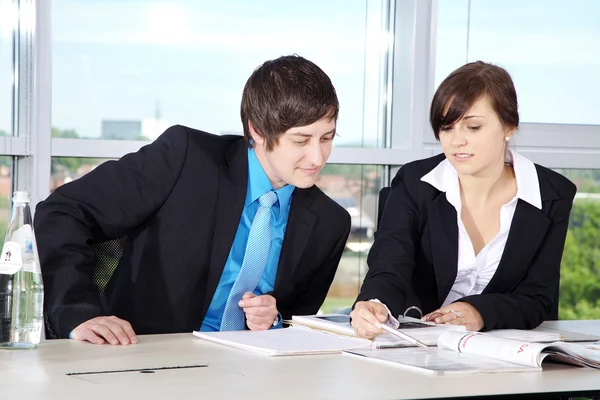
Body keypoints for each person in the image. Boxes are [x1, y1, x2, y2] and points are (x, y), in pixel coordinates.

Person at [35, 55, 351, 345]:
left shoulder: (329, 224)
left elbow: (298, 327)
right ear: (257, 130)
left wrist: (275, 321)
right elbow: (63, 211)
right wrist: (77, 310)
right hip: (141, 363)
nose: (317, 156)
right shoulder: (186, 160)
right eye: (301, 140)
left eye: (327, 138)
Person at [350, 61, 576, 338]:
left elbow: (538, 297)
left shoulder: (551, 195)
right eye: (447, 128)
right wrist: (374, 304)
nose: (456, 141)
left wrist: (478, 312)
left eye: (473, 127)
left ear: (509, 127)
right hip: (416, 345)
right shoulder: (414, 183)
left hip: (501, 349)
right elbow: (388, 267)